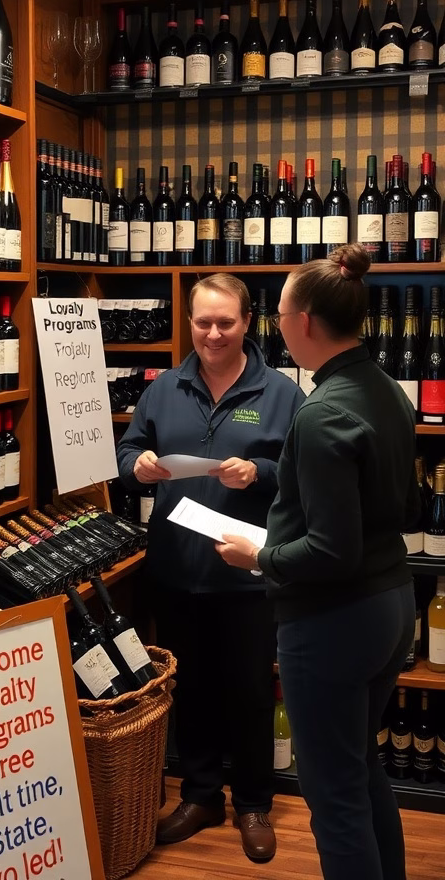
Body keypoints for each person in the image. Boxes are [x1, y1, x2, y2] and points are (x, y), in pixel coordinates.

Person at [217, 244, 419, 880]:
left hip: (335, 622)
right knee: (359, 768)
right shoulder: (384, 390)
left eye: (278, 315)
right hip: (391, 606)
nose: (276, 327)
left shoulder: (323, 411)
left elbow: (332, 550)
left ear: (305, 322)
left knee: (332, 796)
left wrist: (261, 555)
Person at [117, 273, 304, 863]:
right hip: (174, 570)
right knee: (189, 689)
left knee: (249, 691)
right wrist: (137, 465)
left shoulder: (280, 393)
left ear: (249, 322)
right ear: (190, 322)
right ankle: (200, 796)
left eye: (226, 322)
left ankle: (252, 802)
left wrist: (260, 473)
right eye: (203, 322)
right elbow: (126, 451)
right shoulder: (165, 387)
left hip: (247, 575)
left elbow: (301, 477)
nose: (214, 333)